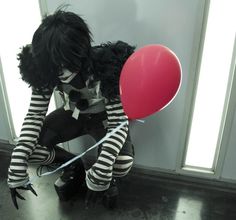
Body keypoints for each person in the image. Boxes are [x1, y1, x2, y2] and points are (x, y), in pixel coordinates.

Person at [7, 9, 135, 209]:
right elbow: (34, 114)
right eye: (54, 64)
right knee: (29, 150)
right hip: (73, 115)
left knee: (121, 164)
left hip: (104, 118)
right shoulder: (46, 69)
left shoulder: (106, 66)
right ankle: (73, 165)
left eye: (66, 61)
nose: (61, 71)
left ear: (80, 51)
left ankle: (107, 177)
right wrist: (18, 159)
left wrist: (102, 169)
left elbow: (119, 121)